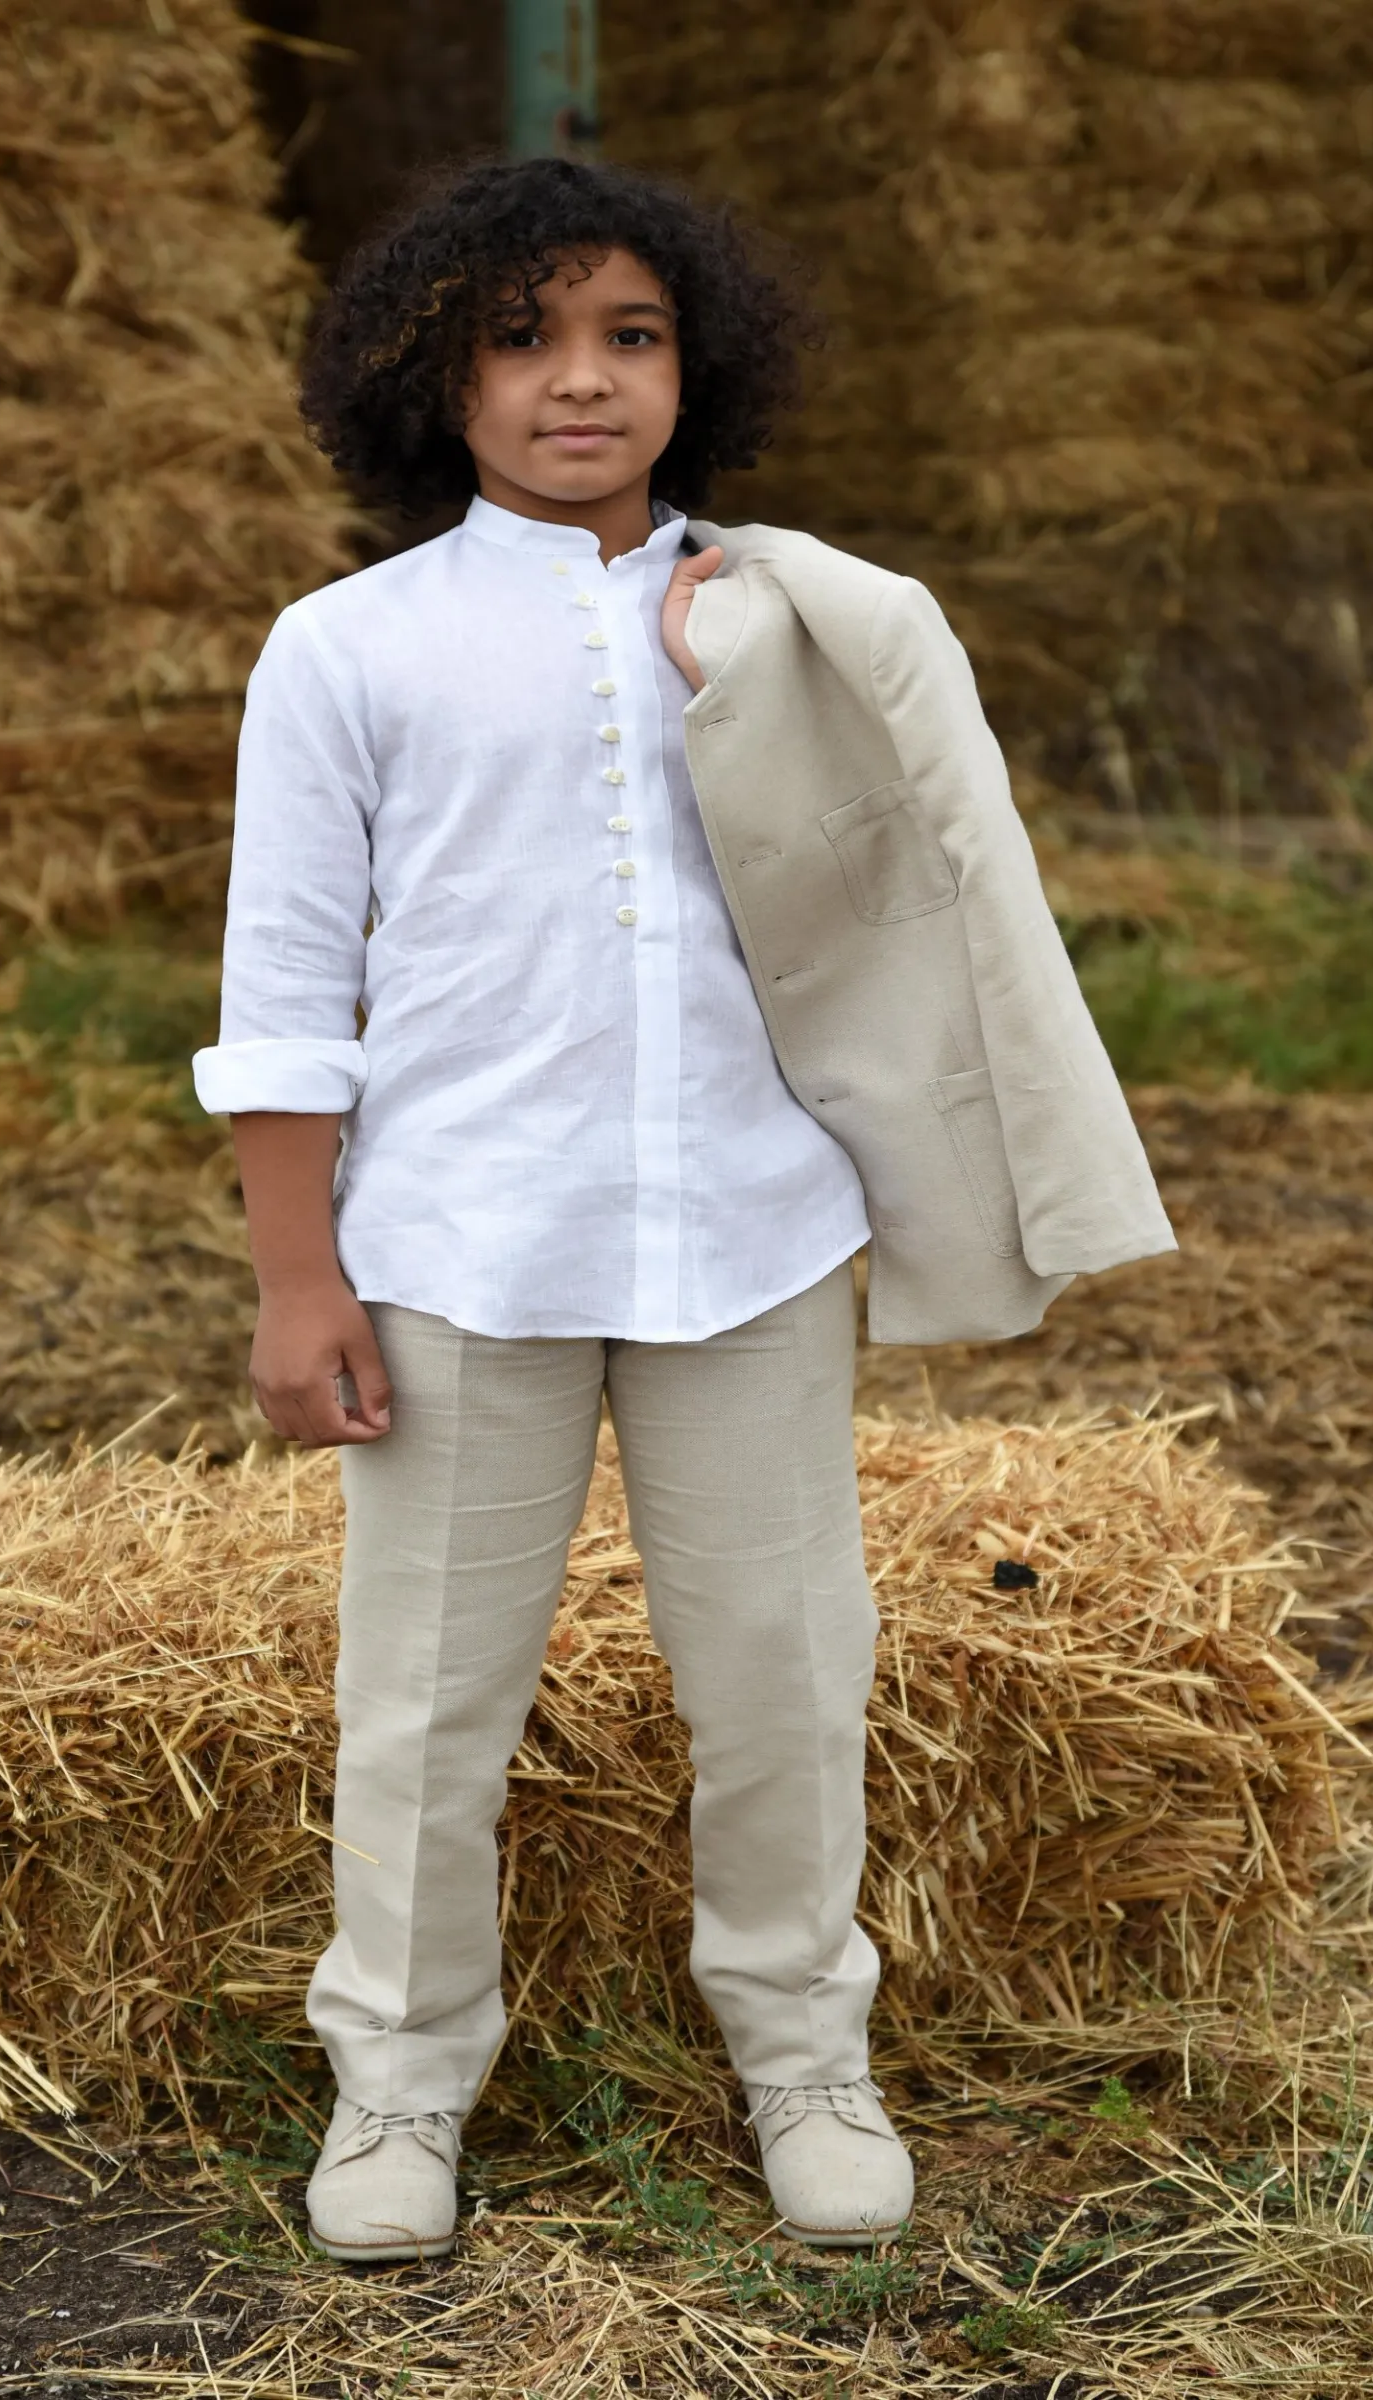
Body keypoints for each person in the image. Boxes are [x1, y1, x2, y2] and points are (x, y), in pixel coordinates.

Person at [193, 156, 1174, 2265]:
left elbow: (929, 898)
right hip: (463, 1249)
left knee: (785, 1672)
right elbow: (283, 992)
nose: (580, 383)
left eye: (630, 336)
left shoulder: (798, 622)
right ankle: (401, 2076)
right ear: (426, 374)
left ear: (696, 362)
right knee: (429, 1697)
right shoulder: (346, 646)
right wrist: (299, 1275)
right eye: (524, 338)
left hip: (750, 1234)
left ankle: (805, 2053)